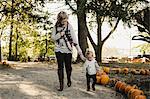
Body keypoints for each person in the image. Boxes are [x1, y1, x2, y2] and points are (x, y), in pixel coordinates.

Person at [51, 11, 85, 91]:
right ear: (59, 20)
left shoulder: (70, 27)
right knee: (60, 67)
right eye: (64, 20)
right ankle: (61, 85)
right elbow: (52, 38)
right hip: (58, 50)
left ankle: (69, 79)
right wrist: (60, 34)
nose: (65, 22)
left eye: (66, 20)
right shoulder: (56, 27)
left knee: (68, 67)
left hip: (68, 50)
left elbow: (75, 41)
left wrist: (80, 54)